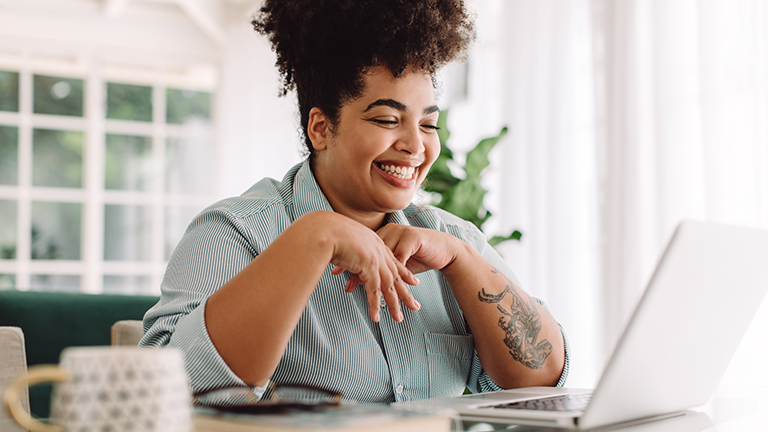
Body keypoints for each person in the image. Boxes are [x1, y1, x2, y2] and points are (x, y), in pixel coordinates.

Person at [141, 0, 568, 404]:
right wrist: (314, 236)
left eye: (429, 124)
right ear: (321, 128)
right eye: (387, 120)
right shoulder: (234, 232)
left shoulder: (450, 239)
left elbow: (543, 379)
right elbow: (167, 391)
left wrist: (461, 260)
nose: (415, 145)